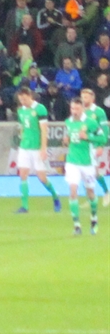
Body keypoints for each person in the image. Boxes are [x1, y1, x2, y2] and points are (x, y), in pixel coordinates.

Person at [14, 87, 61, 214]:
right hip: (24, 147)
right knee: (23, 175)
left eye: (24, 99)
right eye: (21, 100)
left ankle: (55, 196)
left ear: (30, 96)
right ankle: (24, 206)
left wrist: (43, 148)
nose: (23, 102)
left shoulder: (40, 109)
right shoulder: (21, 110)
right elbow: (22, 126)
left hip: (37, 148)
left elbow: (44, 130)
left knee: (42, 177)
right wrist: (22, 136)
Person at [60, 98, 102, 236]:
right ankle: (77, 225)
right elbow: (69, 138)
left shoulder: (91, 122)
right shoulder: (68, 122)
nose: (74, 111)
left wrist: (88, 136)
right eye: (72, 108)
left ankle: (94, 218)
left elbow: (102, 139)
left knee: (90, 193)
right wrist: (66, 141)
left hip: (87, 162)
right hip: (72, 161)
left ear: (82, 109)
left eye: (77, 109)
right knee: (73, 191)